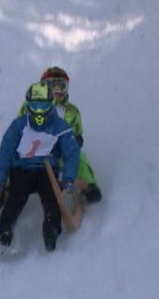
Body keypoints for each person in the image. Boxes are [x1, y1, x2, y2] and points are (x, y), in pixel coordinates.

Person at [0, 81, 81, 251]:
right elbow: (5, 151)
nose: (39, 115)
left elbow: (72, 153)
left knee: (51, 196)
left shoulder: (61, 127)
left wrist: (69, 177)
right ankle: (5, 229)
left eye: (43, 108)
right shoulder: (19, 125)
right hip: (21, 169)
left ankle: (51, 228)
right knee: (16, 196)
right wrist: (0, 180)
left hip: (47, 170)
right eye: (35, 108)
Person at [20, 66, 102, 203]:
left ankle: (88, 185)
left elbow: (77, 133)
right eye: (52, 86)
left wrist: (75, 140)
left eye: (61, 86)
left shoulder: (71, 111)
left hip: (60, 153)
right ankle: (7, 188)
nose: (57, 91)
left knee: (78, 157)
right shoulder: (31, 106)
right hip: (35, 151)